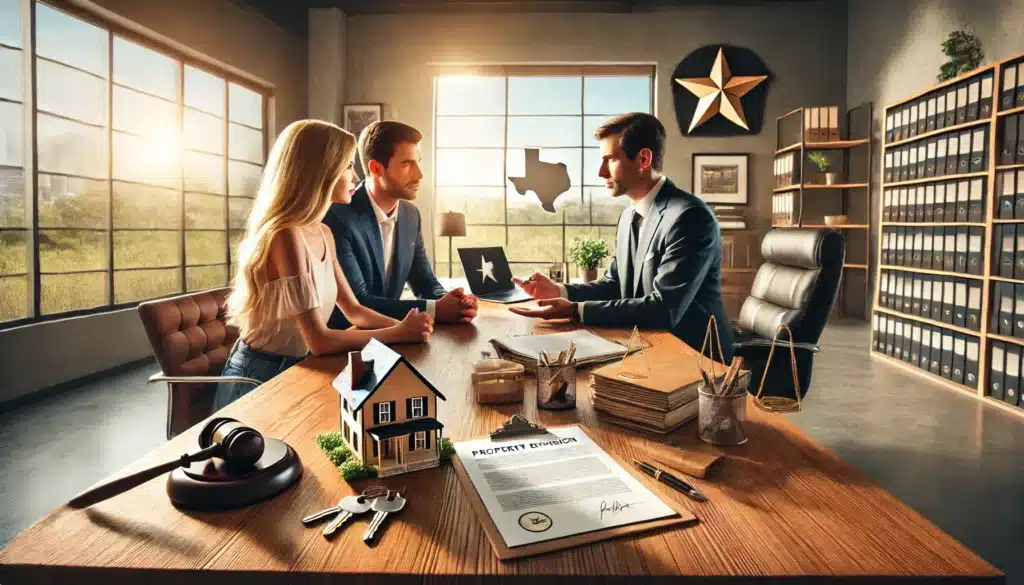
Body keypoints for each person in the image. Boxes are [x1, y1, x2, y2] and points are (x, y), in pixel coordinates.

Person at [214, 119, 434, 410]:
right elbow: (318, 340)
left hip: (301, 368)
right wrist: (398, 333)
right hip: (260, 379)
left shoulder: (323, 232)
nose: (354, 177)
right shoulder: (285, 236)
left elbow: (354, 310)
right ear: (321, 173)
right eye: (346, 167)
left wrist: (406, 329)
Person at [509, 112, 734, 363]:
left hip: (696, 362)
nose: (600, 171)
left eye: (610, 159)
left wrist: (575, 311)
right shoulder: (628, 217)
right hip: (644, 346)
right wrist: (561, 290)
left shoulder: (690, 217)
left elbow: (663, 309)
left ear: (643, 159)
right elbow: (615, 285)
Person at [322, 120, 478, 330]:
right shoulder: (337, 217)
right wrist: (434, 309)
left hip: (396, 341)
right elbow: (359, 302)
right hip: (346, 346)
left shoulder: (411, 215)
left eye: (418, 162)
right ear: (376, 168)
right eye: (407, 164)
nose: (419, 175)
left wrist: (456, 303)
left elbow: (425, 283)